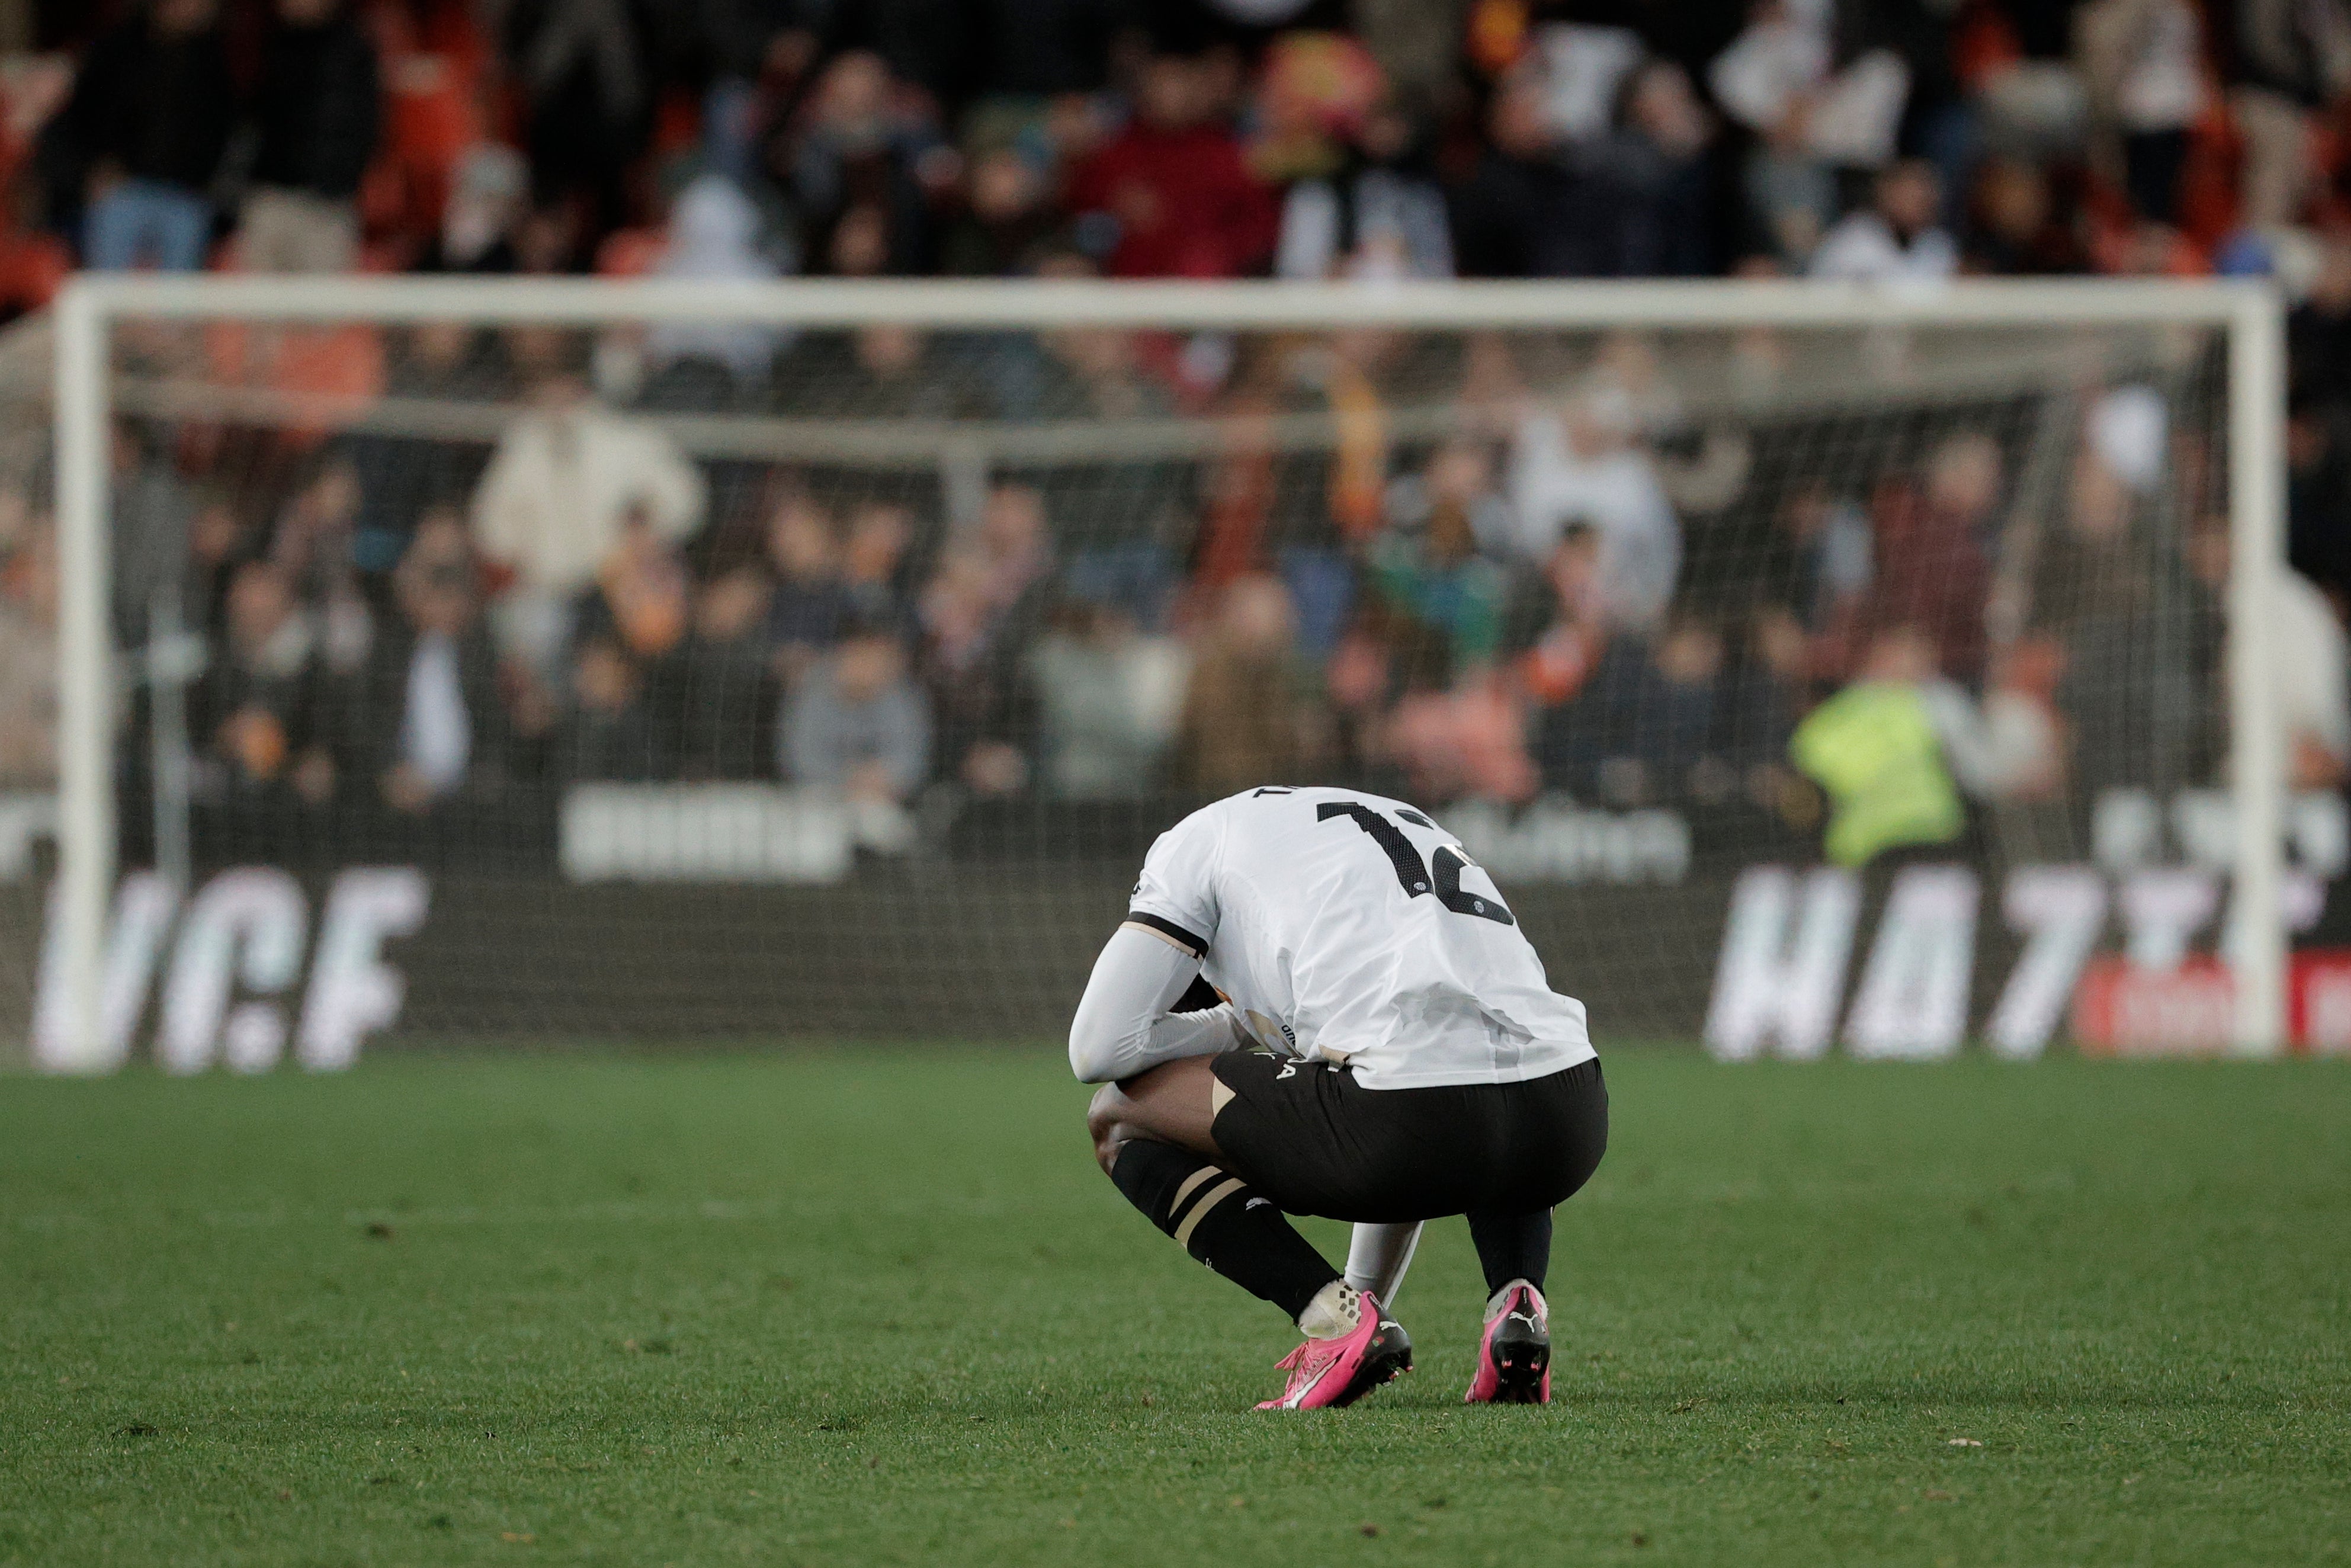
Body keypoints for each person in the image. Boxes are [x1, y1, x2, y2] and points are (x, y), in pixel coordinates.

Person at [1070, 786, 1606, 1410]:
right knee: (1457, 1074)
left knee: (1117, 1117)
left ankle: (1329, 1320)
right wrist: (1365, 1294)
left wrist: (1232, 1022)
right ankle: (1518, 1307)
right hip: (1570, 1116)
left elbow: (1097, 1049)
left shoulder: (1190, 844)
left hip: (1417, 1120)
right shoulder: (1386, 823)